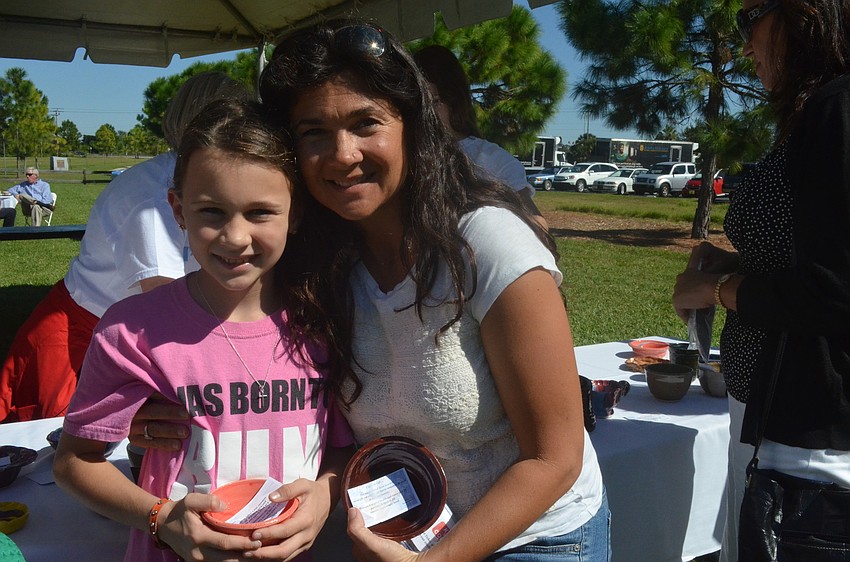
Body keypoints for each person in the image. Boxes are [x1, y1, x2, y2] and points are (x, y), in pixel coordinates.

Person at [132, 19, 610, 561]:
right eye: (313, 131)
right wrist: (165, 415)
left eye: (366, 123)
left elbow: (555, 458)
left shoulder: (488, 244)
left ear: (411, 126)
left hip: (534, 540)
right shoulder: (314, 262)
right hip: (398, 533)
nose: (342, 154)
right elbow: (266, 382)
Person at [53, 97, 355, 562]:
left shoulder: (323, 323)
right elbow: (76, 461)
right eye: (212, 211)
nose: (235, 237)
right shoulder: (132, 331)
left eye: (260, 213)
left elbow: (338, 448)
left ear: (295, 215)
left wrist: (325, 498)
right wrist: (161, 519)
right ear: (178, 211)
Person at [672, 1, 850, 560]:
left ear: (804, 13)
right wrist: (734, 263)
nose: (744, 45)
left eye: (751, 20)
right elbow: (813, 255)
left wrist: (719, 291)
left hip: (812, 438)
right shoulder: (816, 112)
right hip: (778, 422)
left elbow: (837, 291)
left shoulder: (837, 109)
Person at [0, 72, 246, 423]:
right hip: (79, 334)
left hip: (124, 329)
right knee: (53, 449)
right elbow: (167, 307)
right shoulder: (153, 194)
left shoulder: (202, 178)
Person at [412, 45, 547, 228]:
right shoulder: (404, 156)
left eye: (434, 101)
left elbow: (538, 225)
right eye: (416, 103)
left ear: (454, 98)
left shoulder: (491, 160)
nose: (425, 112)